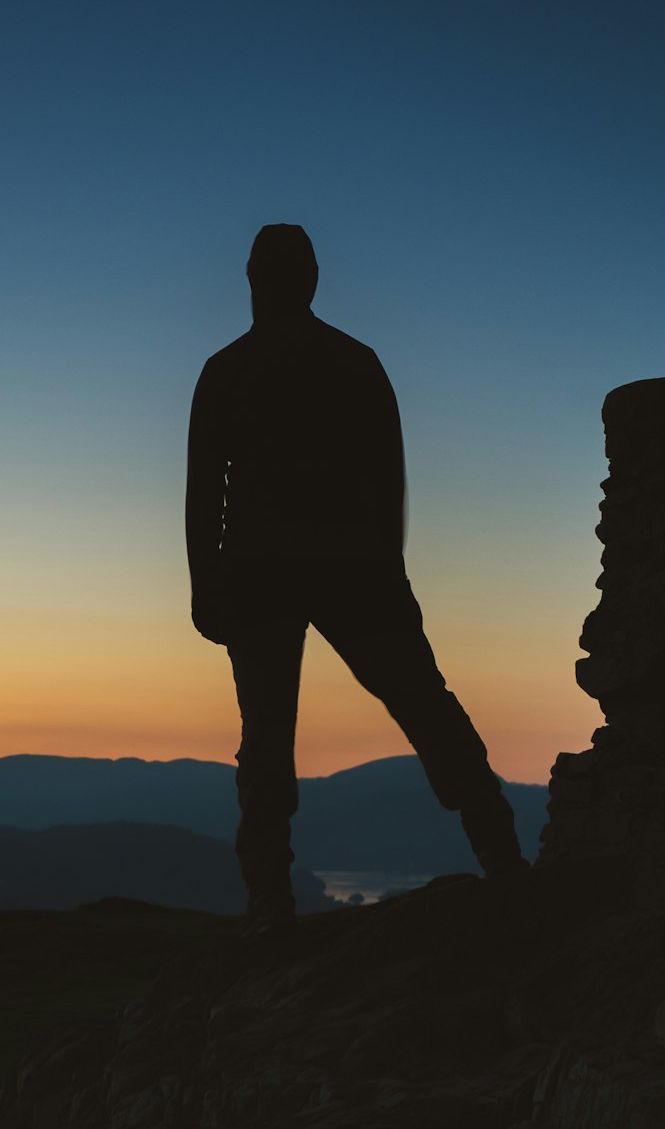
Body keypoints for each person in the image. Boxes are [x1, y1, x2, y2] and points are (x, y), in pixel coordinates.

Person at [186, 224, 529, 934]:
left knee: (269, 740)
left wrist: (206, 583)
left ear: (257, 281)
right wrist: (390, 571)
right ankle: (501, 856)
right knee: (423, 706)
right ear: (310, 281)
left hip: (264, 573)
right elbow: (388, 478)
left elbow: (203, 493)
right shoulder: (353, 362)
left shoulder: (229, 369)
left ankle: (270, 906)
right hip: (355, 568)